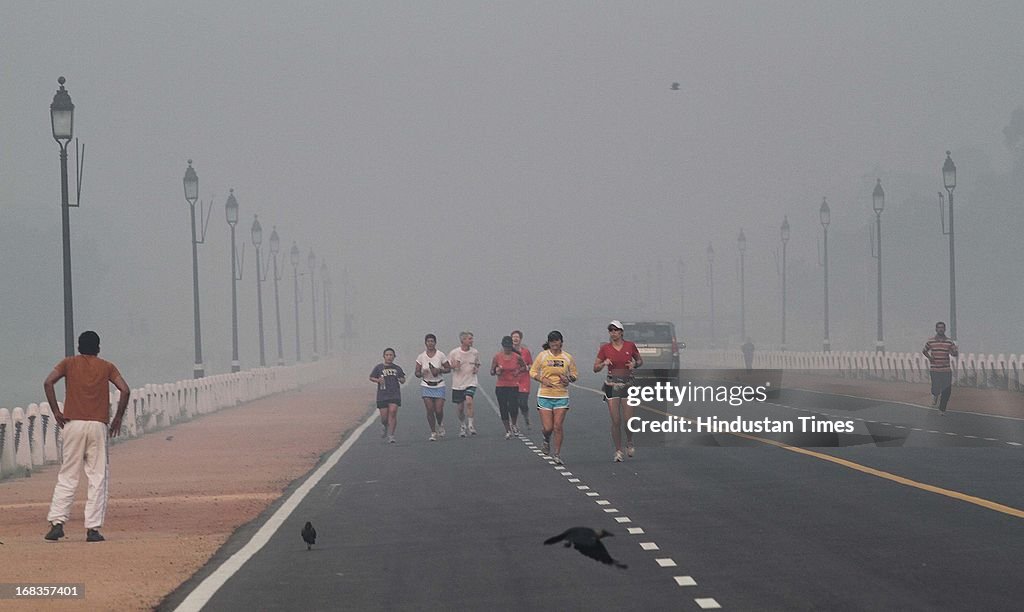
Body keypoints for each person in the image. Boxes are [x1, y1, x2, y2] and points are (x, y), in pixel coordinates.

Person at [43, 331, 131, 543]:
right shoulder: (107, 367)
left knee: (68, 474)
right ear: (98, 347)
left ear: (79, 347)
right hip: (97, 425)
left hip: (72, 423)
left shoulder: (68, 363)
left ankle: (57, 522)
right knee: (98, 476)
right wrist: (118, 417)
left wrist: (56, 411)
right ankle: (92, 528)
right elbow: (125, 390)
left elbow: (48, 382)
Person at [594, 320, 643, 462]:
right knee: (616, 420)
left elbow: (640, 361)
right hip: (611, 385)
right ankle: (618, 450)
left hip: (627, 384)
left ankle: (630, 441)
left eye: (616, 330)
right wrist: (604, 363)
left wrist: (634, 364)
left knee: (628, 420)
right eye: (611, 330)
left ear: (621, 332)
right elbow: (595, 367)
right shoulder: (605, 349)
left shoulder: (630, 346)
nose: (613, 333)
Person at [529, 331, 578, 465]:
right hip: (545, 395)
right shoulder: (543, 356)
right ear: (549, 343)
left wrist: (567, 379)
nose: (555, 344)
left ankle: (557, 454)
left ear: (561, 342)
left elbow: (574, 374)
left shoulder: (567, 357)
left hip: (561, 395)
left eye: (557, 341)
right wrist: (541, 379)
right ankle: (546, 439)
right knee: (548, 427)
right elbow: (532, 371)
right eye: (552, 341)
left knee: (558, 426)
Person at [415, 333, 451, 440]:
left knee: (438, 410)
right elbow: (416, 372)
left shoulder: (440, 355)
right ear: (425, 343)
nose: (430, 343)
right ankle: (433, 432)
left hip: (439, 384)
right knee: (430, 409)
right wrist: (422, 373)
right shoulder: (421, 357)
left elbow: (448, 369)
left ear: (435, 343)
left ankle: (440, 424)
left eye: (432, 341)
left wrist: (439, 370)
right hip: (426, 384)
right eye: (428, 341)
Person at [492, 335, 528, 439]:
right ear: (503, 346)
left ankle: (514, 424)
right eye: (505, 347)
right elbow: (492, 371)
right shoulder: (497, 356)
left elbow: (524, 367)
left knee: (513, 407)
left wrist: (518, 371)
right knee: (503, 408)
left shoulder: (517, 357)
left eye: (509, 347)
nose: (507, 349)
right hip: (501, 386)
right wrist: (496, 370)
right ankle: (507, 430)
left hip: (513, 385)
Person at [448, 331, 481, 437]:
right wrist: (453, 366)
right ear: (463, 340)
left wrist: (476, 368)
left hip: (471, 381)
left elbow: (477, 363)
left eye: (472, 338)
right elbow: (447, 365)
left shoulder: (475, 352)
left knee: (469, 401)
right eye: (469, 339)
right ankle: (463, 425)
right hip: (458, 383)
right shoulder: (454, 353)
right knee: (460, 408)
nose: (472, 341)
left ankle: (471, 425)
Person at [370, 348, 406, 443]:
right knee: (384, 417)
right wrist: (378, 380)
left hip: (394, 394)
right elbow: (371, 377)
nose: (389, 357)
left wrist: (401, 379)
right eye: (387, 355)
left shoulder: (397, 368)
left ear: (394, 357)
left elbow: (403, 379)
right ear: (384, 356)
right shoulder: (379, 368)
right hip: (382, 395)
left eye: (391, 355)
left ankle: (391, 435)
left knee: (393, 412)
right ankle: (385, 425)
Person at [923, 321, 958, 414]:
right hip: (935, 369)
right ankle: (935, 395)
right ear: (936, 329)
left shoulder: (949, 342)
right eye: (939, 327)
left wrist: (954, 352)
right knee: (936, 387)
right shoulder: (931, 341)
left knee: (947, 390)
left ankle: (942, 409)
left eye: (942, 327)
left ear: (945, 329)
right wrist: (930, 358)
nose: (940, 329)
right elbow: (924, 350)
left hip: (946, 369)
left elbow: (955, 353)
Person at [511, 330, 533, 430]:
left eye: (517, 337)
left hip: (524, 380)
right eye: (513, 337)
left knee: (523, 403)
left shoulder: (525, 351)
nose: (515, 339)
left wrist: (525, 368)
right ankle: (514, 424)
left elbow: (531, 364)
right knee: (513, 403)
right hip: (512, 380)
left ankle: (526, 417)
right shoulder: (508, 352)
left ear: (520, 339)